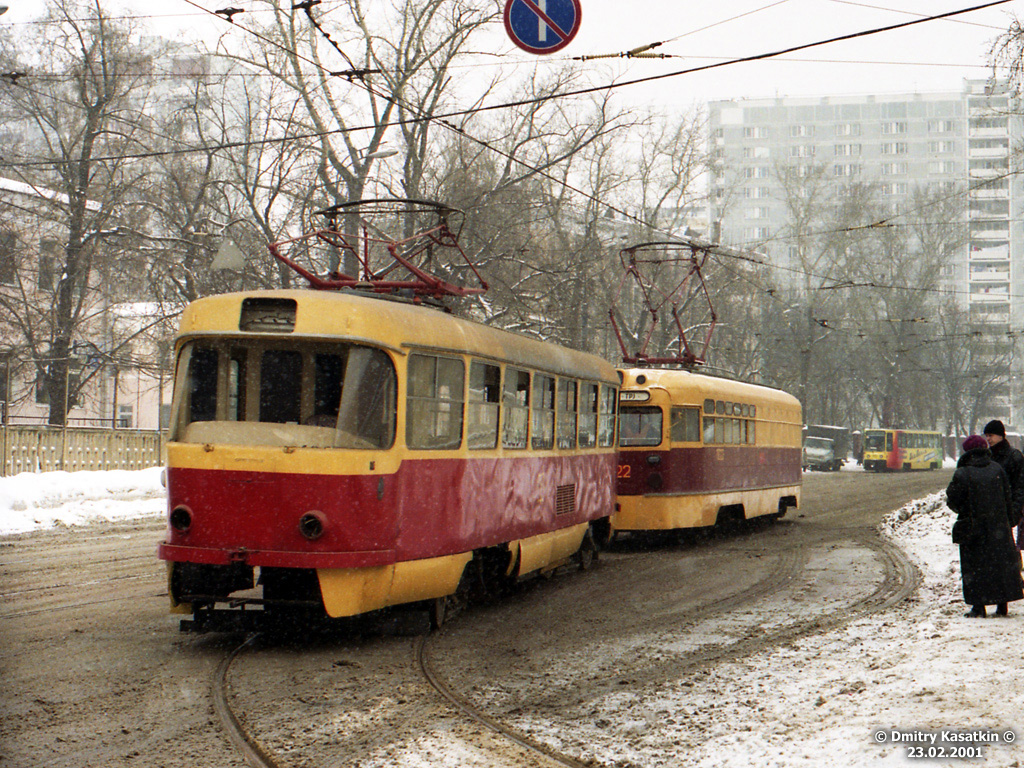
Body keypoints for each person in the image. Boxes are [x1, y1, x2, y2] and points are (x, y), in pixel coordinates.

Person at [946, 434, 1024, 618]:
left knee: (975, 566)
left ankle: (978, 606)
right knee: (999, 565)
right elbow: (1008, 496)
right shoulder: (997, 469)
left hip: (973, 528)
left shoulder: (963, 473)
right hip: (998, 527)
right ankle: (1002, 605)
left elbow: (953, 500)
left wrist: (965, 511)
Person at [983, 420, 1024, 533]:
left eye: (990, 435)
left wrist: (1014, 513)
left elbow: (1019, 487)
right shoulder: (987, 456)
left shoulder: (1014, 456)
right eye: (986, 436)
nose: (988, 439)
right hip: (989, 513)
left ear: (1000, 435)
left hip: (1005, 512)